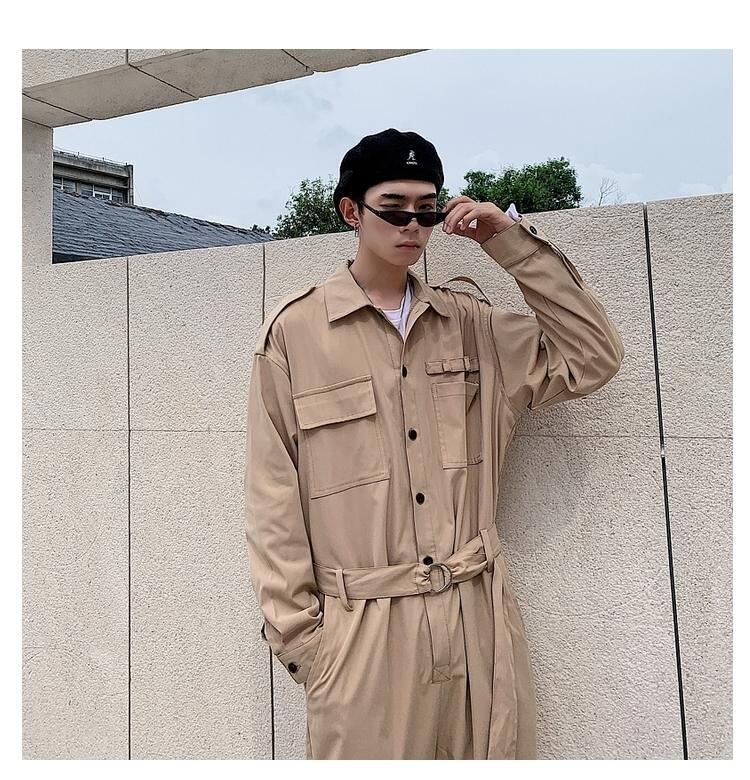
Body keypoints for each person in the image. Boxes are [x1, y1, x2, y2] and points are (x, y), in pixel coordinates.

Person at [244, 128, 625, 759]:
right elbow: (272, 497)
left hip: (477, 620)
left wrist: (507, 242)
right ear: (351, 211)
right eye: (394, 208)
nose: (412, 225)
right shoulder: (295, 333)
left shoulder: (470, 324)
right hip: (363, 635)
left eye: (426, 209)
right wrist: (306, 645)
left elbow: (592, 357)